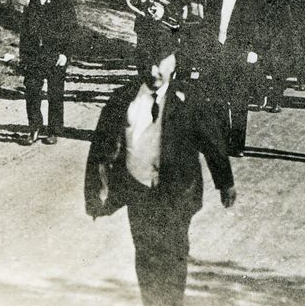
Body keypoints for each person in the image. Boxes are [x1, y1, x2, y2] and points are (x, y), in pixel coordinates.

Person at [84, 30, 236, 306]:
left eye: (161, 62)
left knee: (173, 251)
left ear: (175, 61)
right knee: (145, 253)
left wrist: (225, 183)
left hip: (178, 190)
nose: (154, 70)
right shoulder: (122, 101)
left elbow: (213, 142)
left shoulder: (190, 100)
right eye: (147, 62)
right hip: (138, 189)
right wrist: (95, 194)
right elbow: (100, 150)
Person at [203, 0, 265, 156]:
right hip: (218, 48)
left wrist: (255, 49)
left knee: (239, 98)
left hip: (240, 50)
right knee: (218, 97)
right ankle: (222, 138)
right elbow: (210, 20)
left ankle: (237, 144)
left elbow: (260, 23)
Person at [19, 0, 78, 145]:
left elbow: (71, 30)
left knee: (55, 93)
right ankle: (34, 128)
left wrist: (66, 54)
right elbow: (24, 29)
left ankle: (54, 130)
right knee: (32, 92)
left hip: (55, 53)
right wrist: (24, 55)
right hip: (34, 53)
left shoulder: (63, 1)